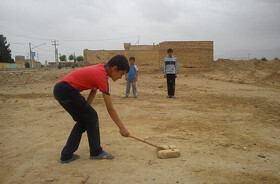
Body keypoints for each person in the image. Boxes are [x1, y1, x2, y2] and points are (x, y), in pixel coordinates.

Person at [53, 55, 130, 163]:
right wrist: (122, 128)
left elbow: (93, 90)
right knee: (92, 116)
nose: (120, 77)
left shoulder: (100, 69)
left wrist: (86, 109)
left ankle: (66, 155)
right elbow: (110, 108)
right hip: (66, 90)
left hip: (60, 90)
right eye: (121, 74)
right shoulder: (102, 76)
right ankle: (96, 151)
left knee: (83, 121)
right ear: (114, 68)